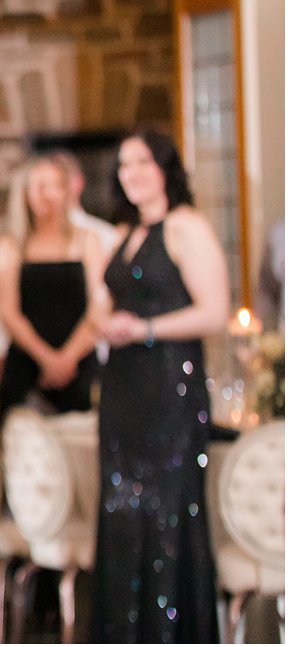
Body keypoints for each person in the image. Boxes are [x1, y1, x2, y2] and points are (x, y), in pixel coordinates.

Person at [89, 128, 227, 643]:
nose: (132, 173)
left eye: (142, 162)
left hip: (170, 388)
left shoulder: (186, 226)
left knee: (168, 515)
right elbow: (111, 302)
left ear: (166, 167)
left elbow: (213, 310)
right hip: (123, 390)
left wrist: (144, 329)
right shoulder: (126, 233)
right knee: (121, 516)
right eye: (124, 165)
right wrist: (105, 323)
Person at [0, 155, 103, 418]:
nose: (50, 194)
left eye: (57, 186)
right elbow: (9, 312)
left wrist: (67, 359)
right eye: (41, 186)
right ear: (25, 193)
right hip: (27, 363)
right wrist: (46, 359)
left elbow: (99, 306)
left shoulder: (87, 241)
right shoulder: (10, 246)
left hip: (78, 363)